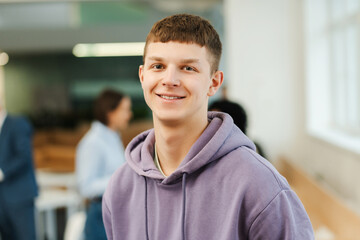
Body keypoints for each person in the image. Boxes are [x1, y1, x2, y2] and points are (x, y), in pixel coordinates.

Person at [102, 14, 314, 239]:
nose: (170, 79)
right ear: (143, 76)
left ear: (214, 83)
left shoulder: (258, 184)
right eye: (158, 66)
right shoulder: (120, 188)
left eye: (188, 68)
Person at [76, 89, 132, 240]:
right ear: (110, 112)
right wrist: (122, 178)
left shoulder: (113, 137)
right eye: (125, 110)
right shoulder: (93, 143)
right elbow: (86, 187)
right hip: (99, 215)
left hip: (115, 212)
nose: (129, 115)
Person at [0, 99, 38, 240]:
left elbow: (23, 156)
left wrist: (2, 171)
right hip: (2, 200)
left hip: (19, 196)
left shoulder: (18, 124)